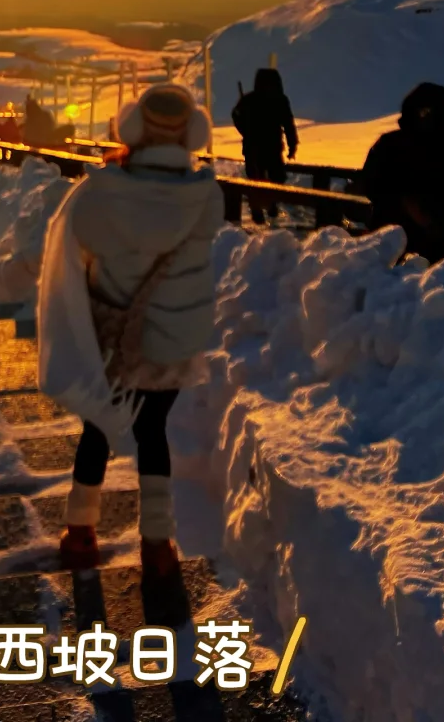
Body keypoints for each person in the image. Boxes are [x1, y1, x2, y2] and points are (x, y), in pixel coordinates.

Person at [51, 83, 223, 611]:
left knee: (100, 424)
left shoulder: (102, 191)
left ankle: (81, 531)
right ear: (193, 132)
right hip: (173, 338)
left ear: (131, 127)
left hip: (113, 331)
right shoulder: (206, 194)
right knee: (153, 430)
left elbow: (78, 242)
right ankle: (157, 546)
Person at [358, 81, 444, 265]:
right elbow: (369, 184)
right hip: (392, 249)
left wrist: (432, 217)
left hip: (418, 252)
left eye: (430, 112)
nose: (425, 117)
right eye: (422, 111)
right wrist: (404, 201)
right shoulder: (390, 144)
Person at [231, 67, 298, 223]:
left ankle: (265, 207)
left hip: (262, 148)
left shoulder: (252, 99)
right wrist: (292, 145)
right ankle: (263, 208)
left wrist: (244, 130)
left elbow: (236, 115)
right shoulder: (278, 99)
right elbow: (289, 124)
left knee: (266, 178)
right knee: (264, 179)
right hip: (266, 148)